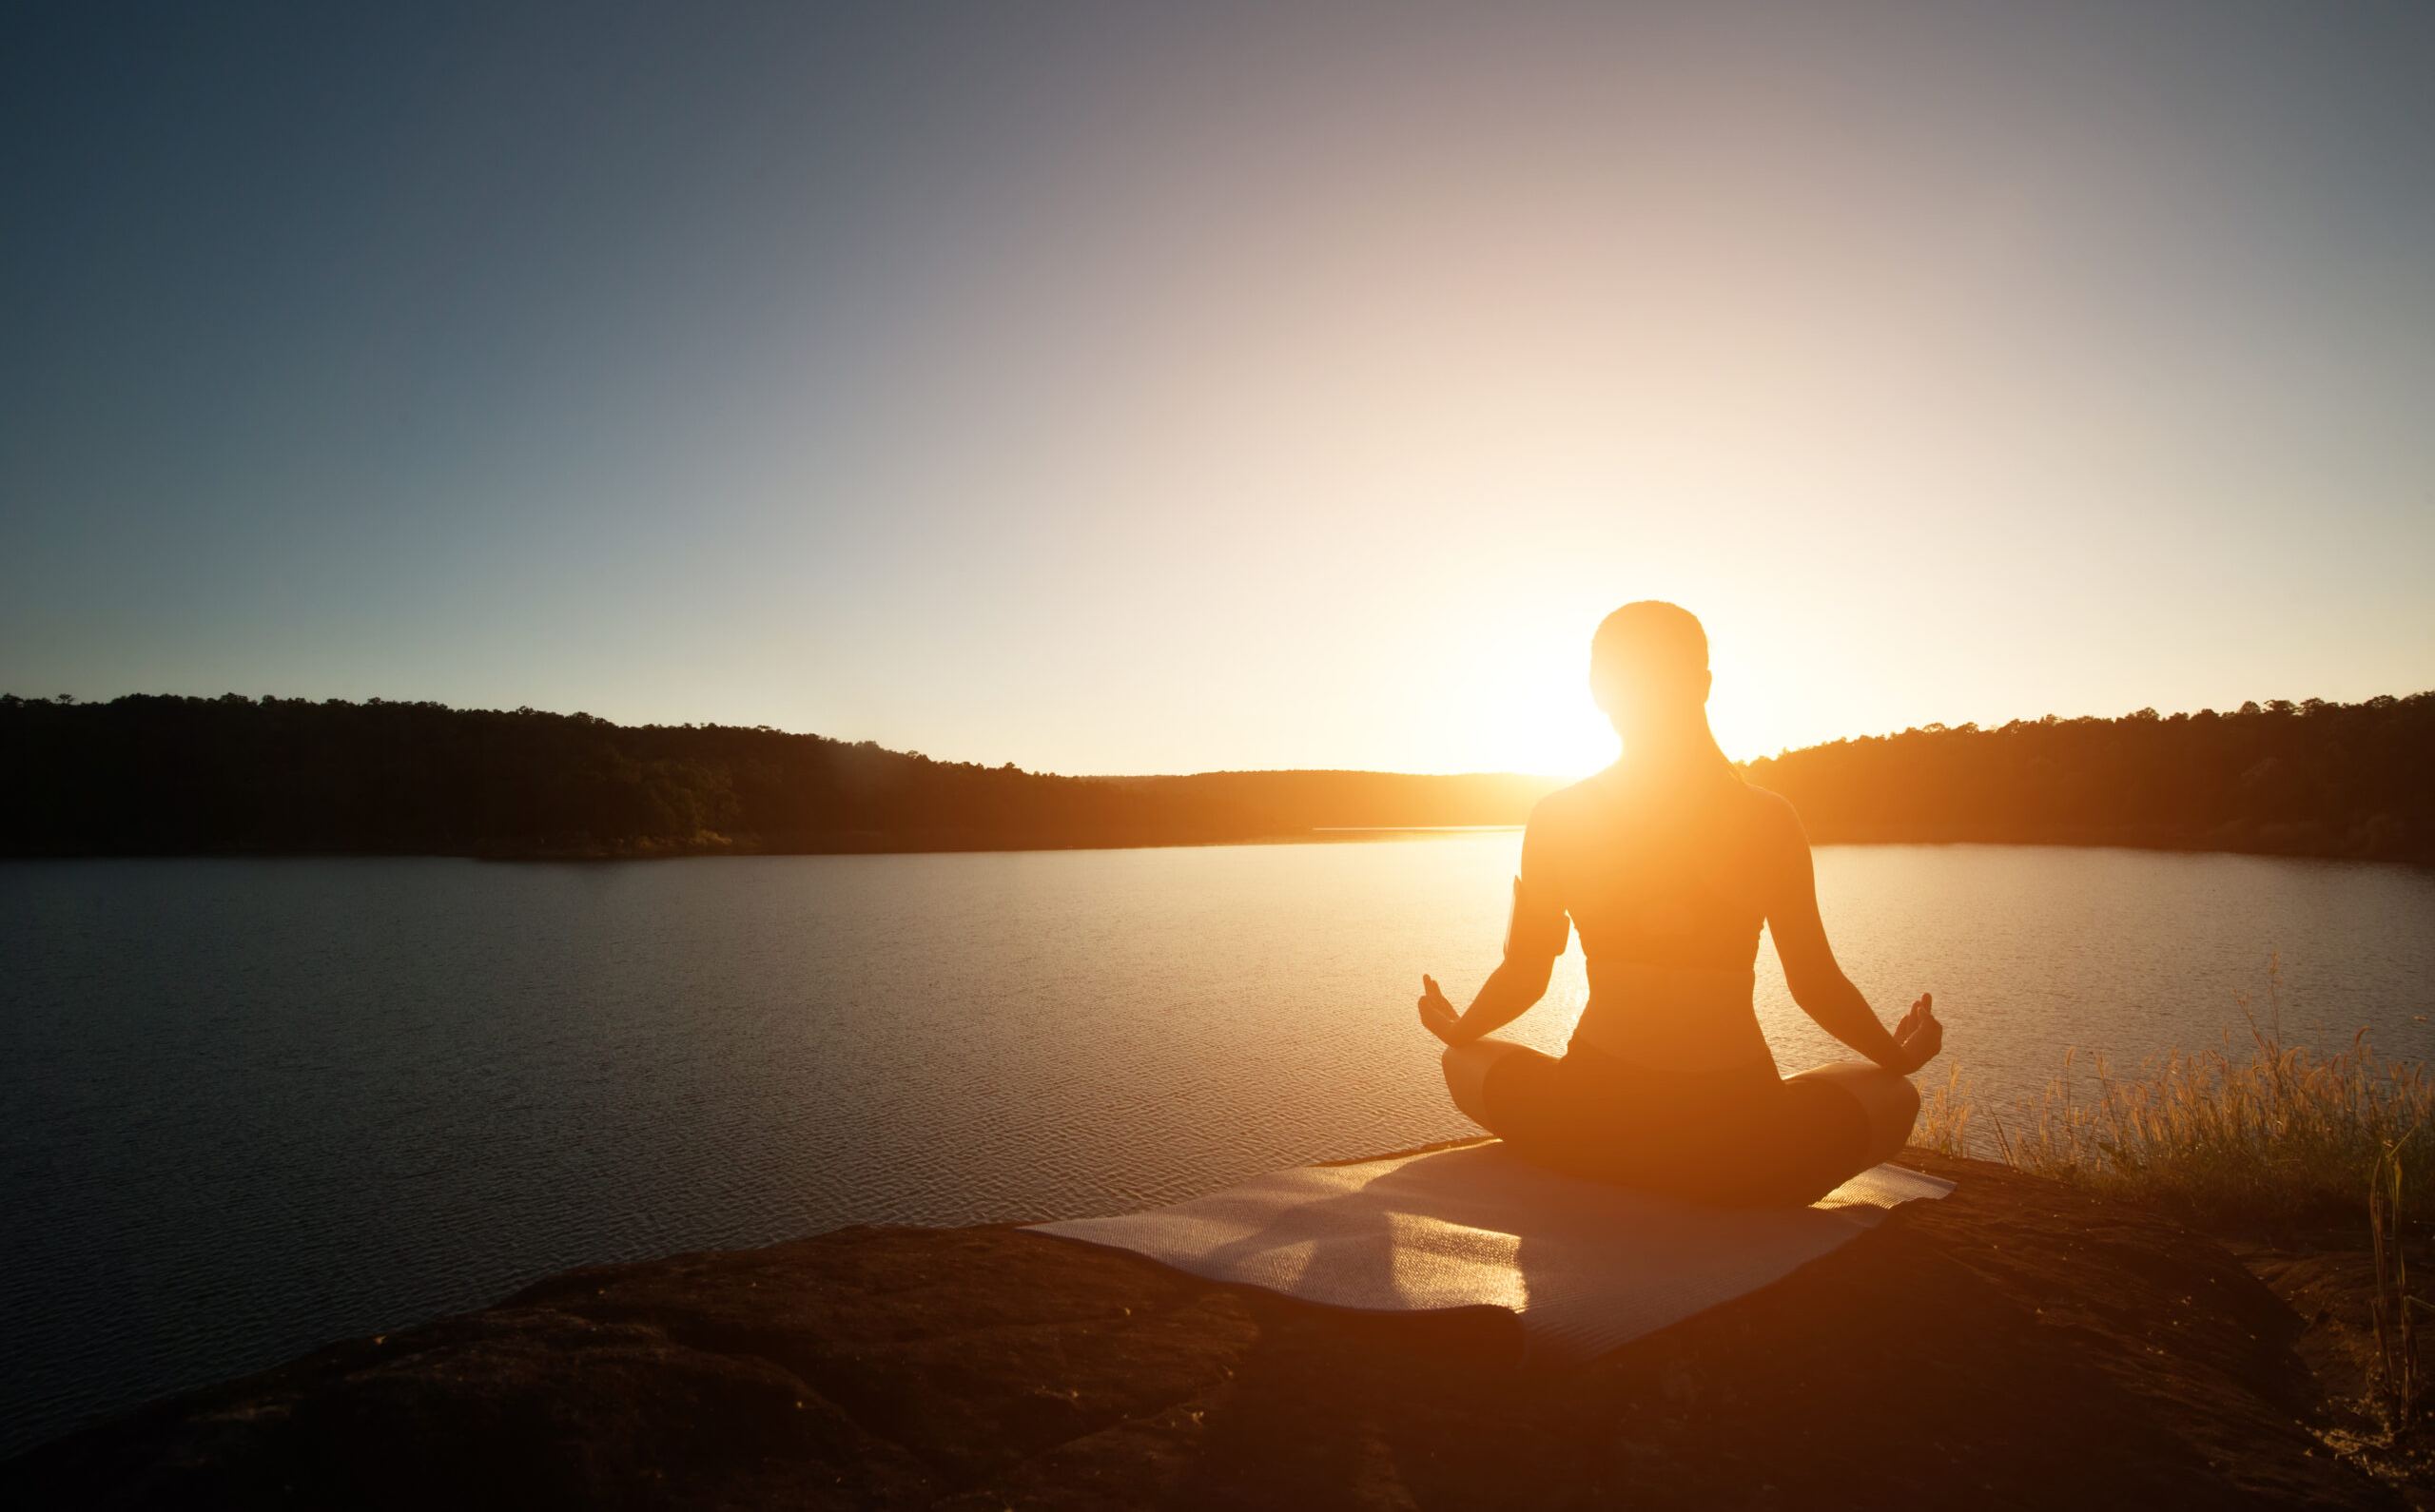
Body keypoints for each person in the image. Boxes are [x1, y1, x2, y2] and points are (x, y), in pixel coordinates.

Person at [1418, 601, 1942, 1208]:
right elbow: (1815, 984)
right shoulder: (1768, 818)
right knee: (1896, 1097)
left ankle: (1613, 1158)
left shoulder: (1558, 817)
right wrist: (1896, 1056)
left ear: (1598, 691)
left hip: (1590, 1126)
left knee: (1461, 1062)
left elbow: (1526, 975)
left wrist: (1461, 1029)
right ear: (1703, 685)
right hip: (1741, 1148)